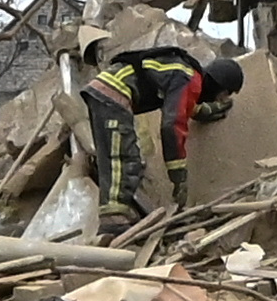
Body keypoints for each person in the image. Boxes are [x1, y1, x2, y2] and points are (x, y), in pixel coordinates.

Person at [82, 41, 241, 235]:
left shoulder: (186, 75)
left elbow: (186, 107)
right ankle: (113, 219)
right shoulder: (189, 79)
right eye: (223, 95)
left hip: (104, 91)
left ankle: (117, 212)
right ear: (219, 86)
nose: (220, 99)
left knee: (114, 154)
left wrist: (209, 111)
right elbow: (172, 125)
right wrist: (179, 177)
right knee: (122, 156)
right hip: (114, 93)